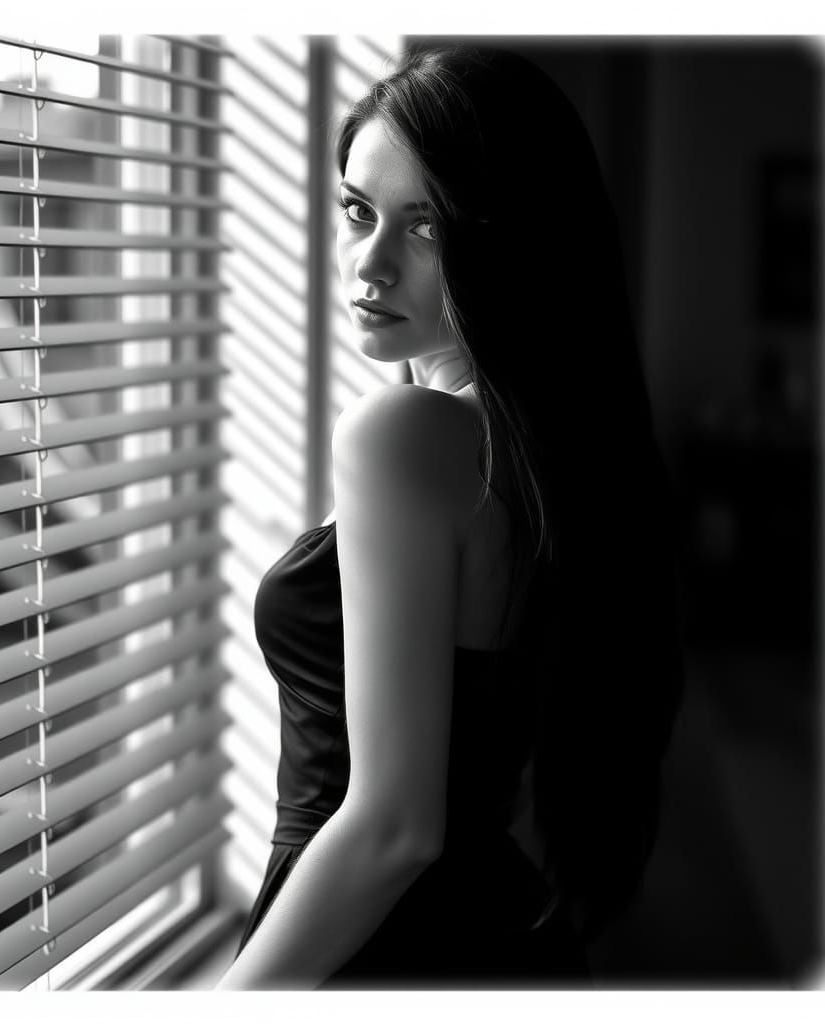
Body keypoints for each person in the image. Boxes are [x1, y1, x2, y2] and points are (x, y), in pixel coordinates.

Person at [215, 43, 682, 990]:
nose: (370, 264)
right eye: (359, 211)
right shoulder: (550, 454)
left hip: (379, 945)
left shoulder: (406, 435)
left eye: (424, 227)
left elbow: (392, 827)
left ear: (509, 237)